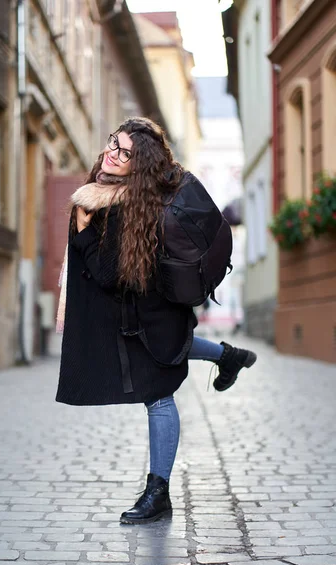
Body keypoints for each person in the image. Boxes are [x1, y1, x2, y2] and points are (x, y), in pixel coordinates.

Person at [56, 117, 256, 525]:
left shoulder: (125, 208)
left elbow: (108, 274)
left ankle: (158, 493)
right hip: (149, 314)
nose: (113, 152)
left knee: (158, 396)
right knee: (174, 350)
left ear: (138, 166)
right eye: (114, 142)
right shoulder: (115, 193)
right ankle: (227, 355)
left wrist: (83, 231)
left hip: (151, 315)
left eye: (125, 153)